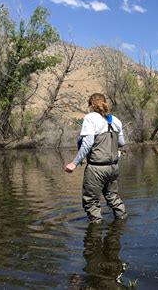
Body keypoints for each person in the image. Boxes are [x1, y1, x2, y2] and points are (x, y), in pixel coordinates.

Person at [65, 93, 127, 224]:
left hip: (96, 169)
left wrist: (74, 163)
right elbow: (121, 143)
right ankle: (121, 223)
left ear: (91, 104)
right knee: (113, 198)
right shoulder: (115, 120)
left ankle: (96, 232)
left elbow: (87, 144)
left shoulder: (90, 118)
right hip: (113, 167)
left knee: (91, 202)